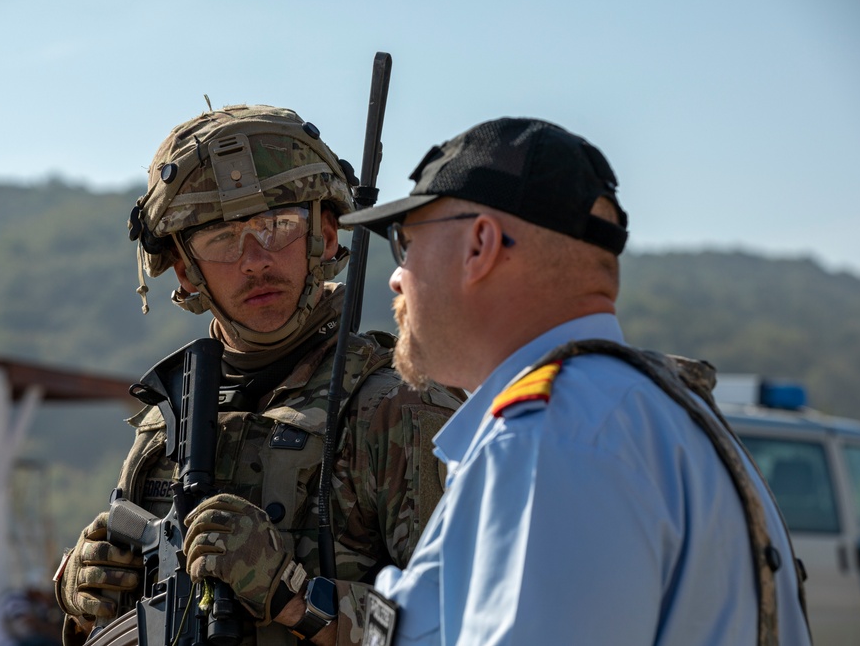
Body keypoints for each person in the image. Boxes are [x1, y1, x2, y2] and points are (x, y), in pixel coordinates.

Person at [339, 117, 813, 645]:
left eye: (405, 243)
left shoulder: (554, 437)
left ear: (480, 245)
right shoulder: (645, 412)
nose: (396, 275)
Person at [53, 104, 463, 646]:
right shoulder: (169, 419)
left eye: (276, 226)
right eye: (221, 239)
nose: (253, 260)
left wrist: (296, 598)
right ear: (184, 267)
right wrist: (81, 591)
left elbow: (465, 621)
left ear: (326, 232)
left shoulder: (400, 410)